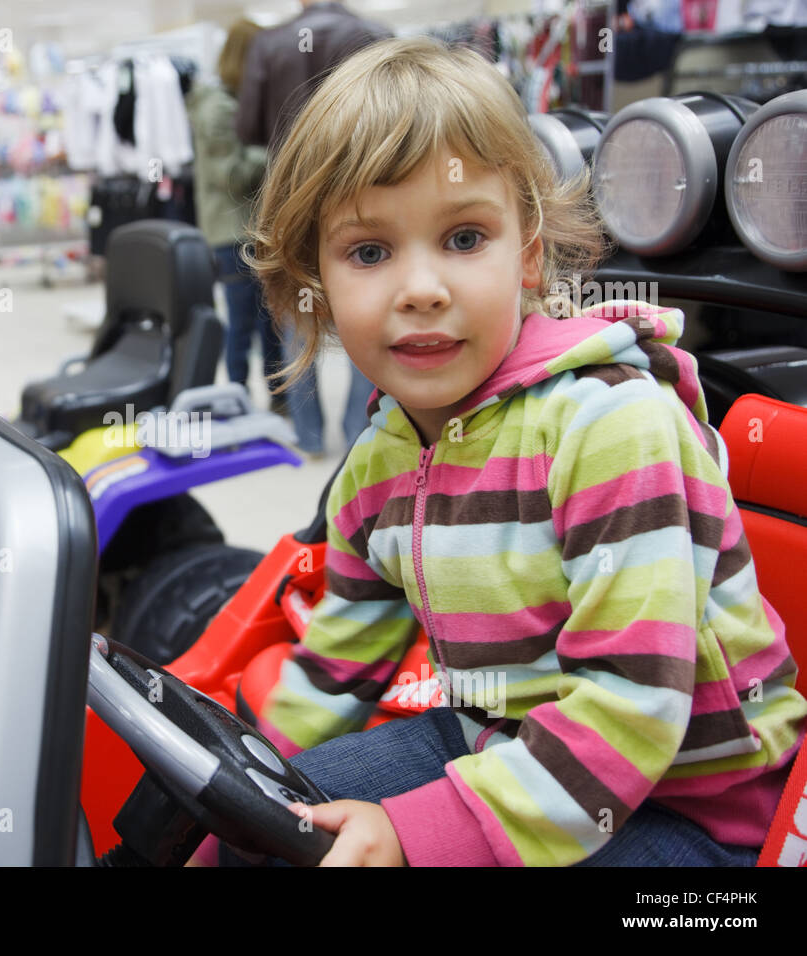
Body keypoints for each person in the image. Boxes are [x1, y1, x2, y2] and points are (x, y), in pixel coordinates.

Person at [235, 36, 806, 866]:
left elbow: (635, 704)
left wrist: (415, 833)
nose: (422, 287)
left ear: (528, 256)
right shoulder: (379, 460)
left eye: (464, 239)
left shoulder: (607, 427)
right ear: (313, 286)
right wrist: (242, 764)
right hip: (501, 738)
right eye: (369, 251)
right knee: (274, 824)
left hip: (694, 803)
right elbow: (341, 654)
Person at [236, 1, 393, 457]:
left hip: (292, 199)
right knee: (367, 315)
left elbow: (246, 127)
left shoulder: (268, 44)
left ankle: (307, 438)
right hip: (364, 196)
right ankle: (358, 438)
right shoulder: (375, 34)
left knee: (297, 319)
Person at [186, 19, 285, 414]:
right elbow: (229, 175)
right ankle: (236, 404)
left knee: (266, 324)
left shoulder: (233, 101)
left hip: (245, 230)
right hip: (233, 234)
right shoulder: (218, 108)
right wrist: (277, 150)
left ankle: (273, 399)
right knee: (244, 325)